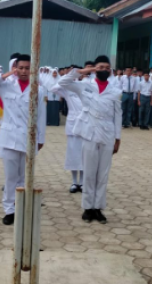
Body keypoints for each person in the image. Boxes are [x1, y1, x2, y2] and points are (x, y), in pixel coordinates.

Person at [0, 54, 46, 225]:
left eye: (28, 68)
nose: (24, 71)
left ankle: (21, 205)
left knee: (24, 176)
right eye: (21, 68)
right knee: (10, 177)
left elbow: (41, 116)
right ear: (16, 68)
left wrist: (40, 139)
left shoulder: (38, 89)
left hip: (28, 137)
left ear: (33, 70)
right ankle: (9, 209)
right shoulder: (6, 85)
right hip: (9, 137)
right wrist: (6, 75)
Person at [58, 55, 122, 224]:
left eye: (107, 68)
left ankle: (98, 208)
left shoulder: (115, 91)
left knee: (103, 173)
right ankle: (87, 208)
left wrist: (118, 138)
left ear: (110, 70)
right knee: (89, 172)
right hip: (89, 133)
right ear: (95, 69)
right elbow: (62, 83)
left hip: (107, 134)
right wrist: (84, 71)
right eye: (100, 67)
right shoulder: (85, 86)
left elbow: (118, 115)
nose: (104, 70)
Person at [46, 71, 84, 193]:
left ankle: (83, 183)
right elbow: (53, 88)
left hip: (85, 123)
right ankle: (74, 182)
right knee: (73, 154)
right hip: (73, 123)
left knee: (84, 154)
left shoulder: (85, 87)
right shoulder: (67, 89)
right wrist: (69, 78)